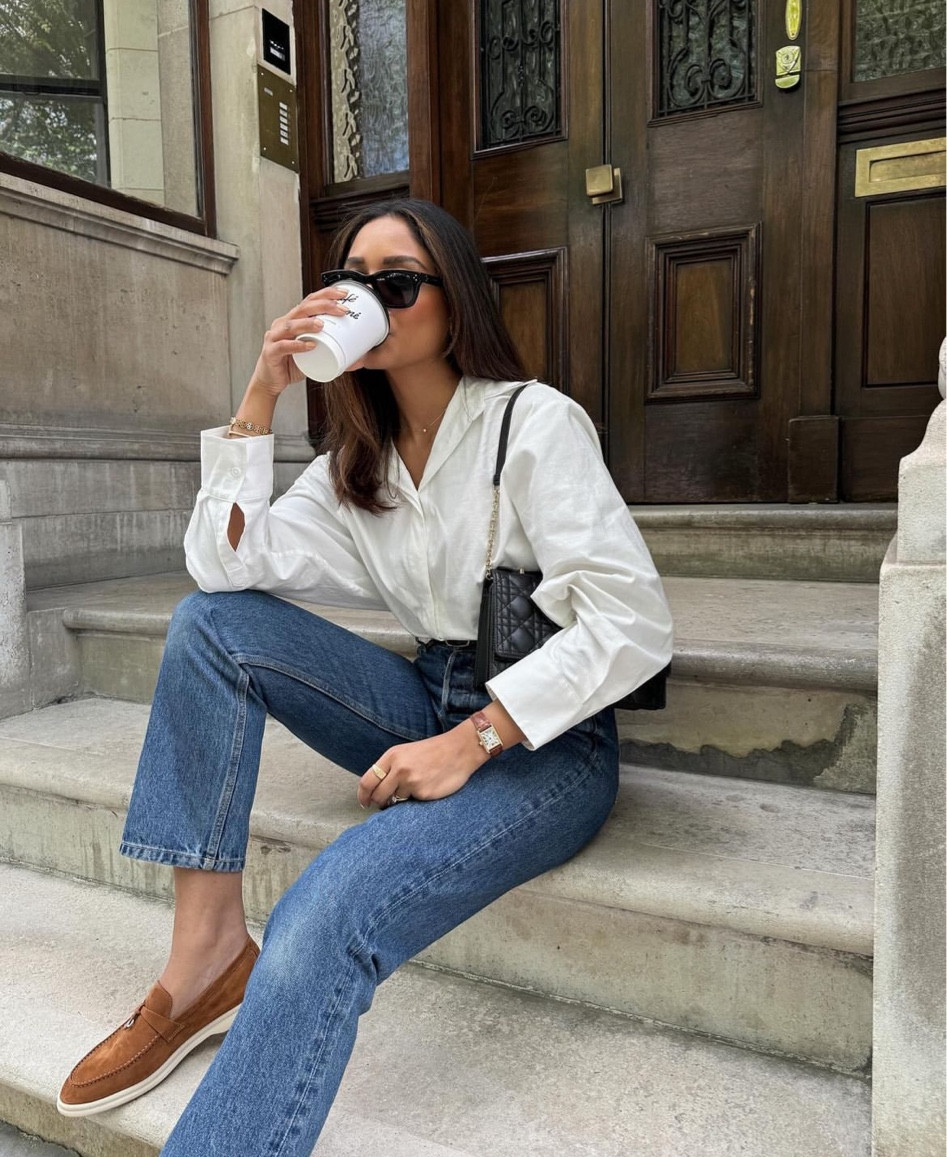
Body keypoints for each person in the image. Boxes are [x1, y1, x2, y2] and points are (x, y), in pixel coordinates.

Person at [57, 199, 673, 1153]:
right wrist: (259, 396)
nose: (372, 302)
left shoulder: (533, 422)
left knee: (325, 908)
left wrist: (472, 740)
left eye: (397, 282)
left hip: (544, 743)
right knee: (210, 626)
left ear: (452, 297)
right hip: (422, 693)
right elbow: (225, 567)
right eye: (354, 282)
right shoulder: (358, 462)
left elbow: (636, 624)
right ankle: (205, 960)